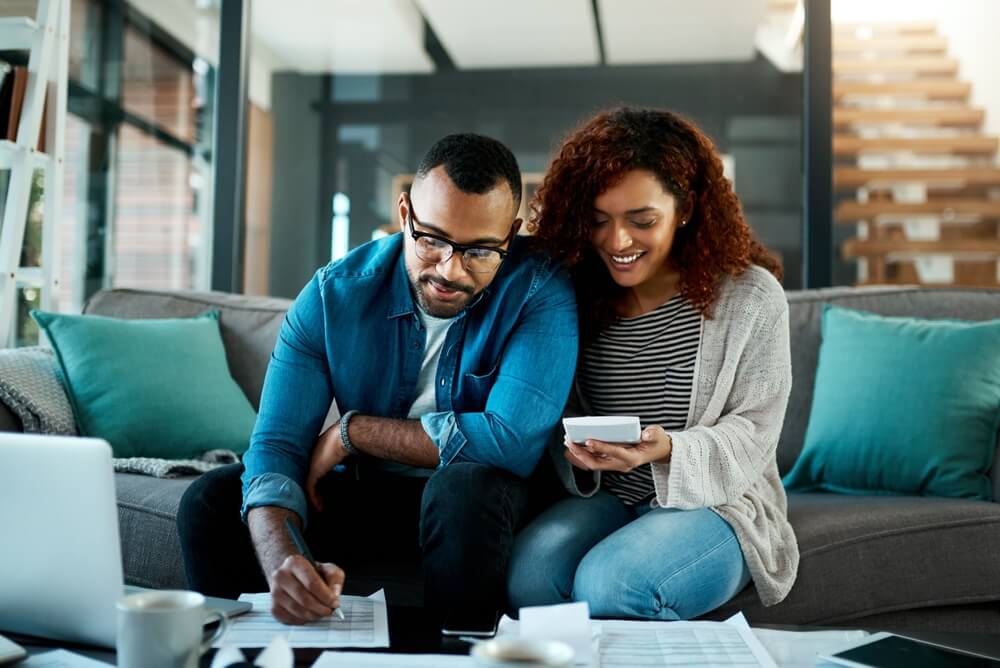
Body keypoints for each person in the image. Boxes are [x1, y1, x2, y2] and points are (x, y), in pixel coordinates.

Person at [177, 133, 578, 625]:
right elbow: (275, 446)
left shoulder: (540, 289)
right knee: (210, 501)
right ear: (405, 212)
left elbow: (510, 441)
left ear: (511, 235)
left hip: (479, 505)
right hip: (376, 493)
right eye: (431, 240)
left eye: (479, 251)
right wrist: (284, 559)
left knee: (462, 490)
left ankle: (459, 655)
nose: (449, 270)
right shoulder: (334, 295)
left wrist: (354, 432)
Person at [507, 108, 799, 620]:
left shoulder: (750, 298)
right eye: (599, 221)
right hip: (612, 496)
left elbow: (755, 431)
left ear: (684, 209)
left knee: (613, 584)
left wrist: (668, 451)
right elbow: (546, 409)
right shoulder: (572, 295)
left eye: (642, 221)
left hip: (717, 504)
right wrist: (574, 452)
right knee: (530, 578)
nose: (617, 242)